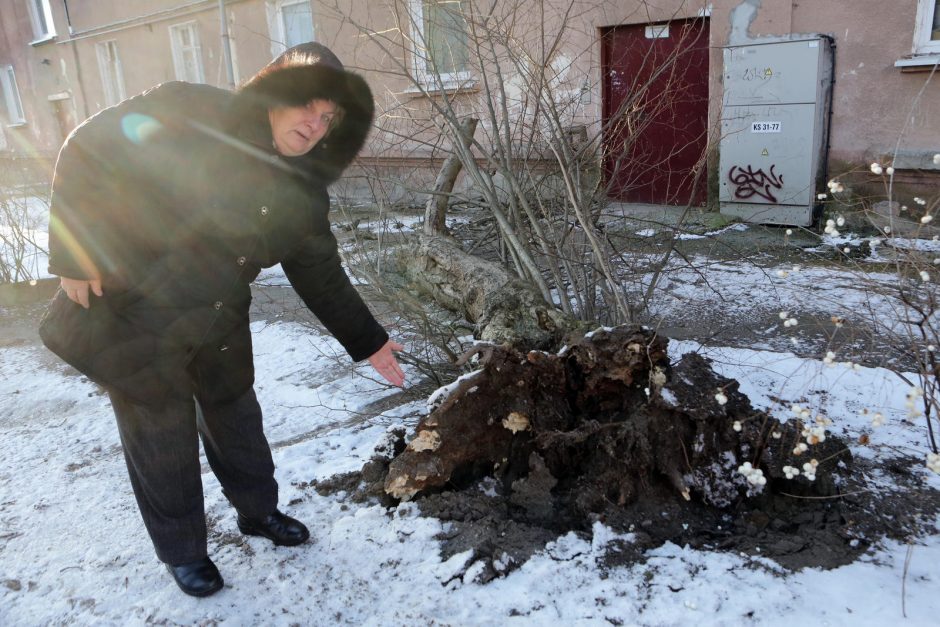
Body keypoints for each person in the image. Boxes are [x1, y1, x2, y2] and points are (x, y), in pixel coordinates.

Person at [45, 42, 404, 597]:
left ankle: (258, 513)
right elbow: (87, 146)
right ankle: (184, 552)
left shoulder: (301, 194)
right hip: (138, 313)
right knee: (161, 437)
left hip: (220, 321)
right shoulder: (189, 111)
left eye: (330, 117)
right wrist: (73, 251)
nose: (316, 122)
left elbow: (321, 276)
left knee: (239, 422)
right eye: (309, 103)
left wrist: (370, 341)